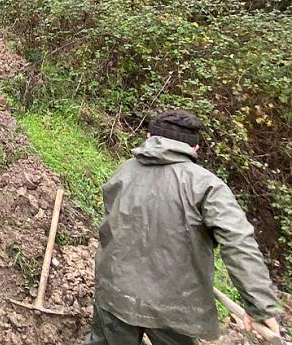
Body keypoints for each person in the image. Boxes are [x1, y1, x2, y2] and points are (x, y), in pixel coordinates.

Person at [87, 110, 282, 344]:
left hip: (114, 294)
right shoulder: (207, 186)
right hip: (173, 306)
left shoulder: (124, 172)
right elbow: (238, 242)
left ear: (149, 136)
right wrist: (260, 305)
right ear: (195, 149)